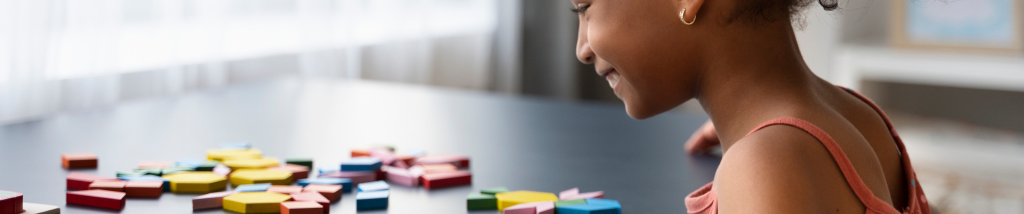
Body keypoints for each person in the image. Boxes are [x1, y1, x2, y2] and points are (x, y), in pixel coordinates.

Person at [569, 0, 931, 213]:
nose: (582, 49)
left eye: (586, 9)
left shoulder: (763, 167)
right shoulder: (862, 116)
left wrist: (760, 155)